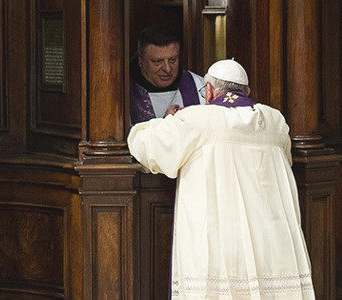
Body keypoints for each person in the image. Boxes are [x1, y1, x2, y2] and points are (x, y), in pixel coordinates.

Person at [127, 59, 316, 299]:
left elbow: (148, 146)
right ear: (247, 92)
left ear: (208, 92)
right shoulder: (274, 121)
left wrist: (166, 121)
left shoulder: (196, 120)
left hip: (219, 234)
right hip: (269, 235)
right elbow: (286, 158)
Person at [130, 25, 205, 125]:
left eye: (172, 60)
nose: (167, 69)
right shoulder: (124, 93)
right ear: (140, 60)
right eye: (157, 61)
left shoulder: (198, 86)